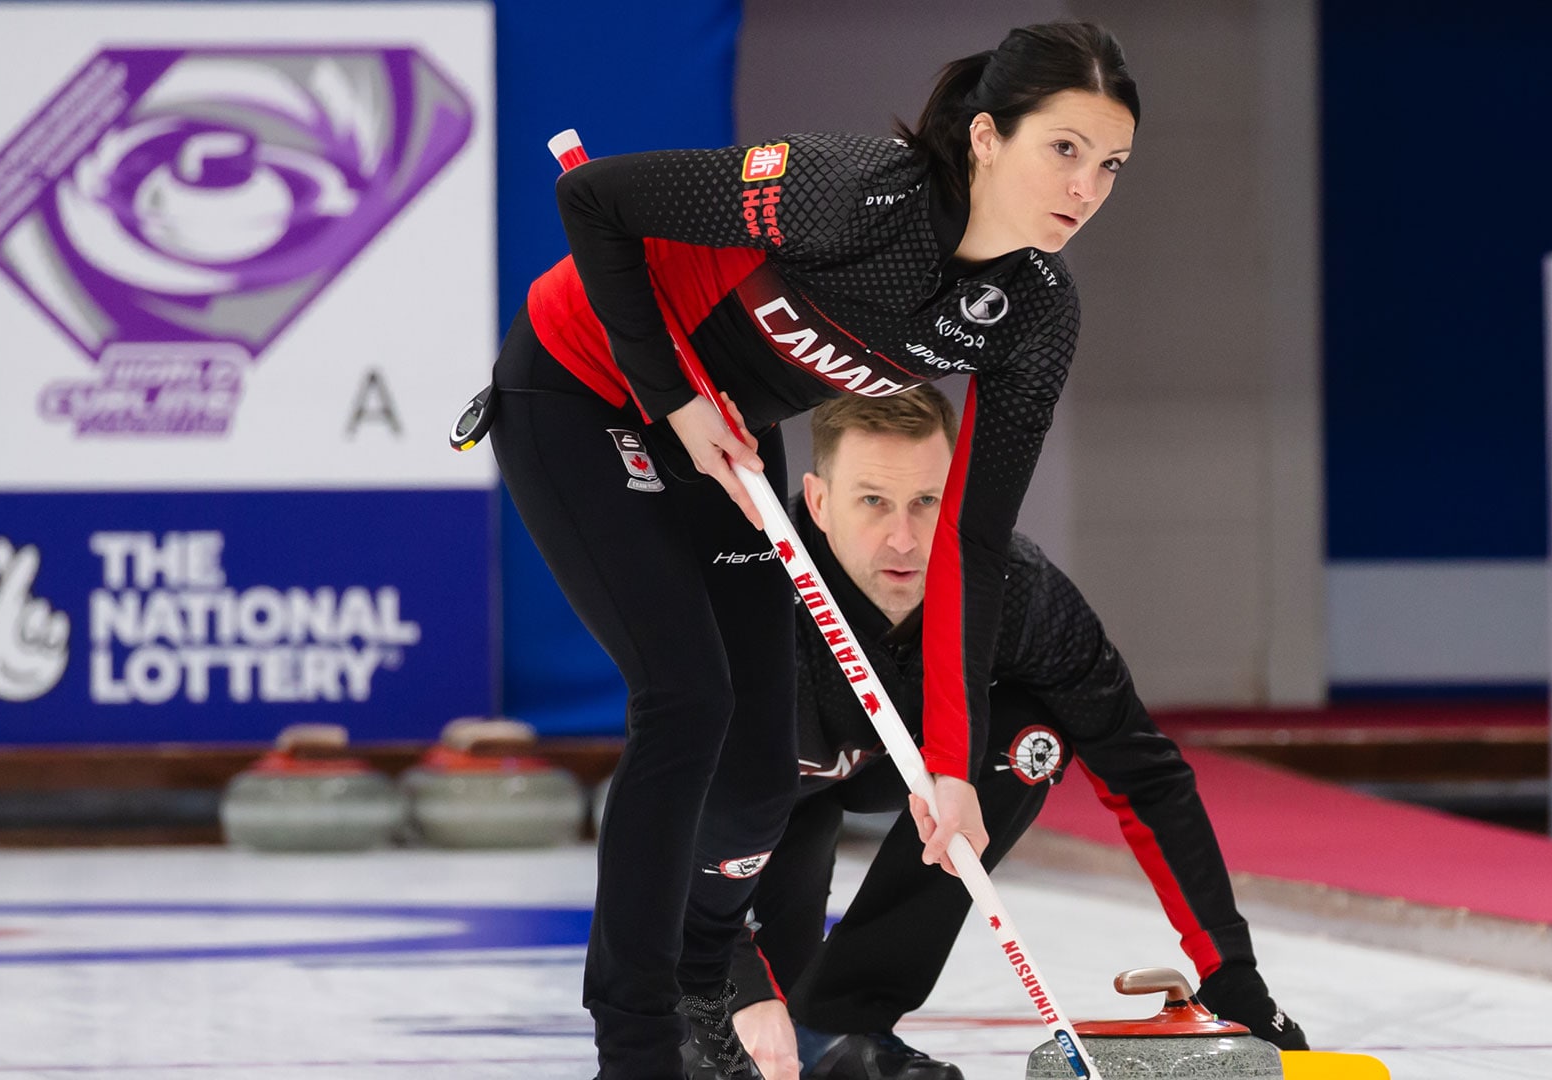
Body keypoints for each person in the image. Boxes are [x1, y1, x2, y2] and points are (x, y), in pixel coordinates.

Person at [481, 23, 1141, 1080]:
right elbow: (596, 200)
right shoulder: (856, 191)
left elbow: (972, 541)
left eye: (1109, 163)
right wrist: (674, 397)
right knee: (687, 698)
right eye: (1063, 149)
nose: (1088, 185)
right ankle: (636, 1047)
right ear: (985, 138)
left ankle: (707, 990)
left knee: (756, 766)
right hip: (585, 386)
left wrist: (952, 764)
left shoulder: (1034, 314)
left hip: (728, 427)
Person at [724, 388, 1308, 1080]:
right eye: (873, 502)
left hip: (912, 776)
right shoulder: (748, 597)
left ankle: (843, 1019)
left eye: (927, 502)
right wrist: (737, 982)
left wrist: (1231, 972)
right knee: (729, 1033)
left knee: (1031, 739)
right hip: (754, 798)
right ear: (818, 504)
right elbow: (672, 810)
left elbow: (1145, 776)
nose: (904, 540)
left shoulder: (1018, 595)